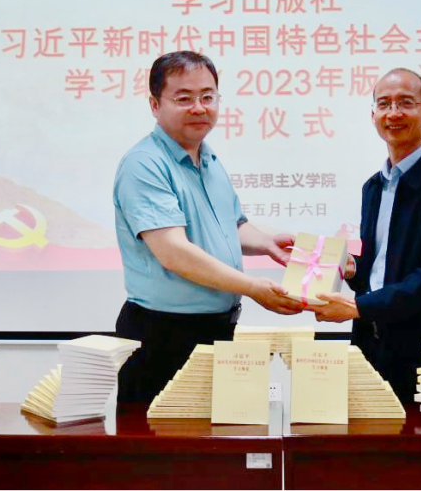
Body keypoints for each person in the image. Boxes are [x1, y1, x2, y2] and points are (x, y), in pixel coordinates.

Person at [112, 51, 304, 403]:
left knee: (213, 435)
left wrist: (266, 243)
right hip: (162, 334)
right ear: (155, 104)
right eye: (184, 98)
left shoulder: (209, 158)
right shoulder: (145, 164)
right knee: (155, 437)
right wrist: (253, 287)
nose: (199, 108)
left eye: (207, 97)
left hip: (216, 328)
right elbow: (174, 253)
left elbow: (231, 225)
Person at [309, 68, 421, 401]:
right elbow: (384, 270)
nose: (393, 113)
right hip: (373, 348)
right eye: (384, 104)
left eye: (405, 103)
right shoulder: (373, 188)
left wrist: (358, 306)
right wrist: (352, 268)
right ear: (373, 115)